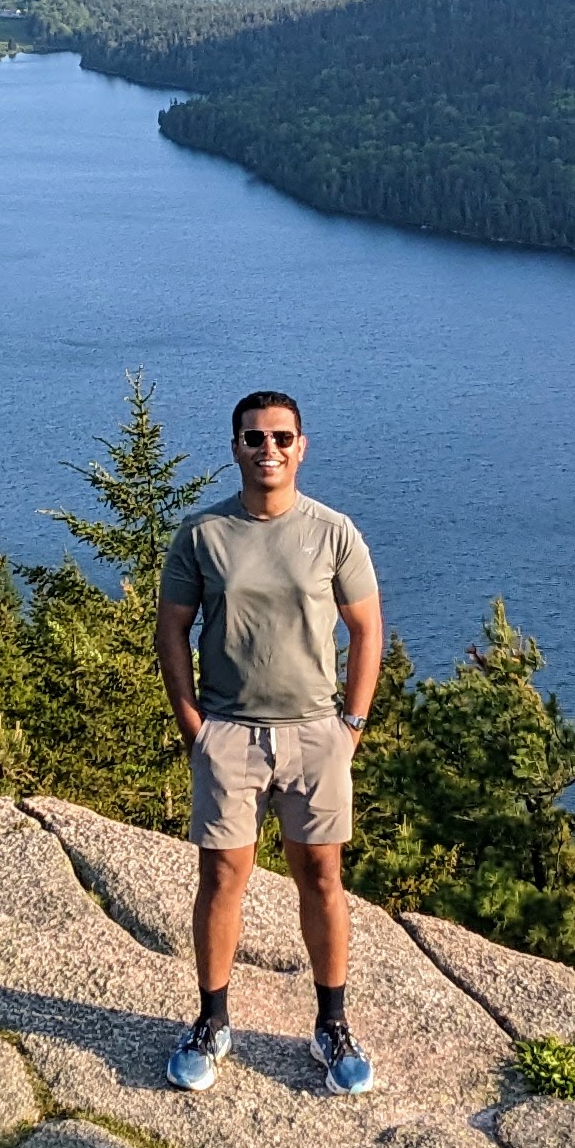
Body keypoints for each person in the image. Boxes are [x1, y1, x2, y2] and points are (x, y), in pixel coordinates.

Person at [154, 389, 384, 1098]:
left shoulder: (332, 532)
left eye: (282, 437)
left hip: (316, 732)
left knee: (322, 877)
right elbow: (172, 632)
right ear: (236, 449)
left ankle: (332, 1025)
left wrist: (351, 725)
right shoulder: (203, 535)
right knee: (223, 878)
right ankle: (212, 1021)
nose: (269, 450)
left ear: (302, 446)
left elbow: (367, 630)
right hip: (230, 731)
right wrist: (196, 725)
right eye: (254, 439)